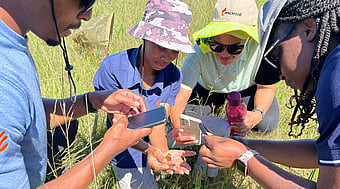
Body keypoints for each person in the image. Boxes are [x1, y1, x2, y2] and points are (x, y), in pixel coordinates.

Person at [0, 0, 194, 188]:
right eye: (84, 0)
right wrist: (108, 148)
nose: (88, 14)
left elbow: (28, 112)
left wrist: (92, 101)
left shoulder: (14, 47)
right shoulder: (4, 83)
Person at [200, 0, 340, 188]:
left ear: (308, 27)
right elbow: (322, 151)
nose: (280, 74)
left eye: (276, 56)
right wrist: (245, 144)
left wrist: (243, 157)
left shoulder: (335, 75)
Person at [169, 0, 279, 179]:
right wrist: (179, 130)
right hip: (206, 90)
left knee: (267, 122)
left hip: (246, 91)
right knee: (190, 119)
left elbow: (266, 87)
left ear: (249, 39)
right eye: (217, 46)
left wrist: (256, 115)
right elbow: (179, 98)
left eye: (235, 48)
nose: (224, 54)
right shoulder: (198, 53)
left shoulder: (261, 50)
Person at [92, 0, 195, 188]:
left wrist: (163, 155)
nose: (167, 56)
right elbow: (121, 128)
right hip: (125, 149)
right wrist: (149, 150)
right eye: (161, 46)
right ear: (145, 37)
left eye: (174, 50)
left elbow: (158, 123)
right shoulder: (113, 68)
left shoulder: (173, 75)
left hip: (153, 143)